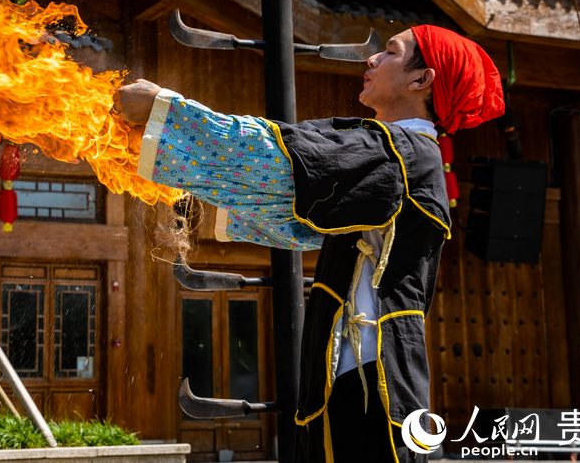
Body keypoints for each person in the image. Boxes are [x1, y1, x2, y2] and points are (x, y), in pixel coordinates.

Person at [113, 25, 504, 463]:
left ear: (421, 80)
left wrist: (167, 113)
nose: (370, 60)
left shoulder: (404, 152)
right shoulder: (395, 149)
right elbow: (294, 220)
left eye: (390, 53)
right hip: (348, 373)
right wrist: (192, 175)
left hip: (372, 379)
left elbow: (285, 160)